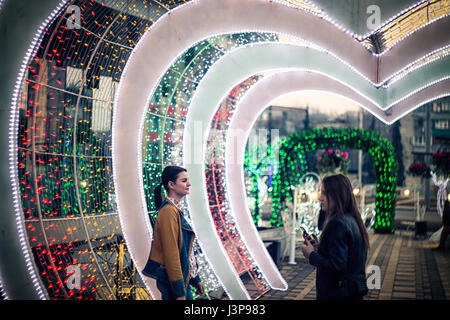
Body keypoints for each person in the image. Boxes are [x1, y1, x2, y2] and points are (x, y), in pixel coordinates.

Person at [301, 173, 369, 300]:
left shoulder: (337, 223)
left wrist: (311, 255)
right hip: (352, 292)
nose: (320, 198)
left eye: (325, 193)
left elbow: (337, 266)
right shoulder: (353, 219)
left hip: (337, 294)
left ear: (338, 196)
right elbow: (347, 257)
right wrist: (320, 247)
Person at [142, 165, 204, 300]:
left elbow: (185, 251)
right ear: (171, 184)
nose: (189, 184)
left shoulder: (175, 209)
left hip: (182, 280)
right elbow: (172, 255)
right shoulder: (168, 212)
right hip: (175, 283)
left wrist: (195, 279)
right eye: (184, 180)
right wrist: (179, 292)